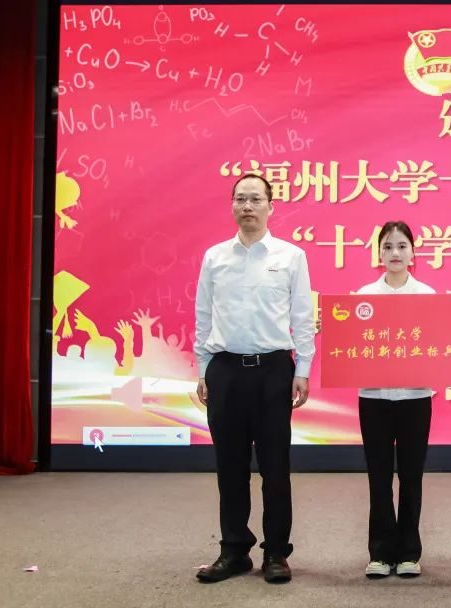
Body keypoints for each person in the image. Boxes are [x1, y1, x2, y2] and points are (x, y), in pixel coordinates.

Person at [193, 174, 315, 584]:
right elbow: (203, 315)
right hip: (225, 370)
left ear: (270, 206)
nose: (248, 206)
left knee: (275, 467)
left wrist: (302, 369)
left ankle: (276, 552)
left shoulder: (291, 256)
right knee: (230, 467)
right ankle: (234, 550)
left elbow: (302, 317)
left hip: (273, 371)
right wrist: (202, 368)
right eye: (240, 199)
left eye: (256, 199)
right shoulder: (215, 257)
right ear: (232, 205)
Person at [355, 221, 438, 580]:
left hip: (415, 397)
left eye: (402, 246)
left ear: (413, 253)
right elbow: (353, 348)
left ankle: (408, 552)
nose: (395, 253)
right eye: (388, 246)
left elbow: (438, 348)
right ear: (378, 253)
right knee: (378, 477)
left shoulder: (429, 296)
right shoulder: (362, 296)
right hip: (373, 398)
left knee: (411, 476)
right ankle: (379, 552)